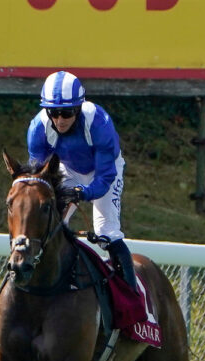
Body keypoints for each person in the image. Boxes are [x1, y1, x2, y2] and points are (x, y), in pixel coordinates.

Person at [26, 70, 139, 291]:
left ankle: (132, 296)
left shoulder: (98, 123)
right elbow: (39, 177)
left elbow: (105, 177)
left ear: (78, 108)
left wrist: (82, 192)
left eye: (66, 113)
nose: (60, 120)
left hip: (104, 170)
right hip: (67, 170)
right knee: (51, 226)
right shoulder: (37, 129)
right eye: (53, 112)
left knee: (107, 232)